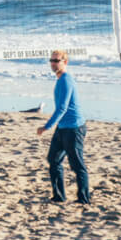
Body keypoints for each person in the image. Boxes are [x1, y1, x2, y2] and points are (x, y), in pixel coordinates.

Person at [36, 49, 90, 204]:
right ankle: (59, 196)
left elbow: (62, 108)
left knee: (77, 164)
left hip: (74, 128)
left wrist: (46, 127)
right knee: (53, 160)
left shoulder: (66, 80)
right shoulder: (60, 80)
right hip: (62, 127)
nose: (53, 64)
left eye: (56, 61)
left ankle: (84, 199)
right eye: (51, 61)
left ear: (65, 62)